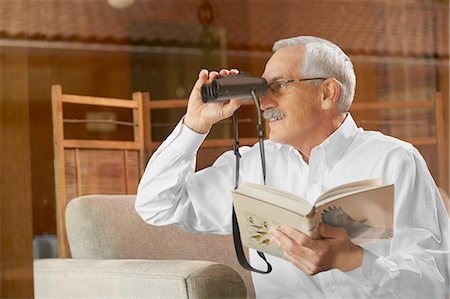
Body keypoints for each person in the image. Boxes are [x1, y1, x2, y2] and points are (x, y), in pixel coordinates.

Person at [135, 36, 449, 298]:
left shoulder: (394, 160)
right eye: (261, 89)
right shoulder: (255, 165)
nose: (265, 103)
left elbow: (435, 284)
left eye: (280, 86)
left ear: (327, 93)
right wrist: (194, 126)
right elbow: (156, 205)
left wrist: (354, 260)